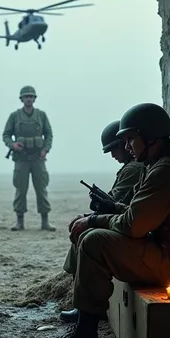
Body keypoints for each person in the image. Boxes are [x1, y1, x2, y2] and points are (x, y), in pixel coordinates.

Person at [37, 102, 170, 338]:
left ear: (151, 137)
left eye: (131, 139)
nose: (128, 147)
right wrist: (110, 210)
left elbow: (133, 225)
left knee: (94, 241)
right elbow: (142, 213)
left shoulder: (168, 170)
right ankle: (84, 329)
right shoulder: (168, 162)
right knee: (92, 234)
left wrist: (95, 220)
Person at [60, 119, 145, 323]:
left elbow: (119, 202)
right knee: (83, 226)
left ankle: (86, 307)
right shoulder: (131, 167)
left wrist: (94, 217)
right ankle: (81, 302)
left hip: (129, 225)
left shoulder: (132, 169)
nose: (116, 154)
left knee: (86, 232)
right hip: (124, 220)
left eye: (116, 148)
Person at [2, 85, 55, 231]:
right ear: (22, 99)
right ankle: (20, 221)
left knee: (41, 188)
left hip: (38, 158)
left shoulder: (41, 115)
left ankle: (45, 221)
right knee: (20, 189)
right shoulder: (15, 116)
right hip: (21, 158)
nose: (29, 99)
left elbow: (49, 134)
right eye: (26, 96)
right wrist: (13, 145)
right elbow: (6, 135)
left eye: (31, 96)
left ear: (34, 98)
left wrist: (45, 149)